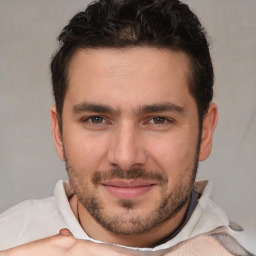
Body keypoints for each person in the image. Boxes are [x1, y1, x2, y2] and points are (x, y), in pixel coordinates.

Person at [0, 0, 255, 255]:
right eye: (96, 119)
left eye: (158, 120)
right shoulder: (9, 239)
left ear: (205, 133)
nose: (125, 157)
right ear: (59, 133)